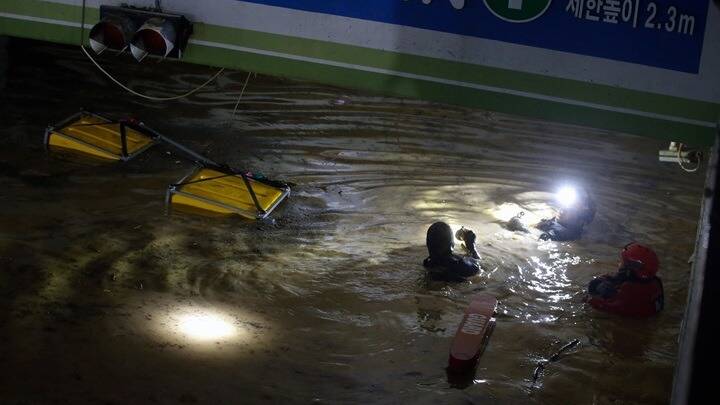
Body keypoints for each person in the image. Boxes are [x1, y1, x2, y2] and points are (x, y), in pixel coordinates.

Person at [585, 242, 664, 317]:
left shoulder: (629, 292)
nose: (619, 265)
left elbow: (593, 303)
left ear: (629, 270)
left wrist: (593, 287)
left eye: (623, 263)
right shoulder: (655, 282)